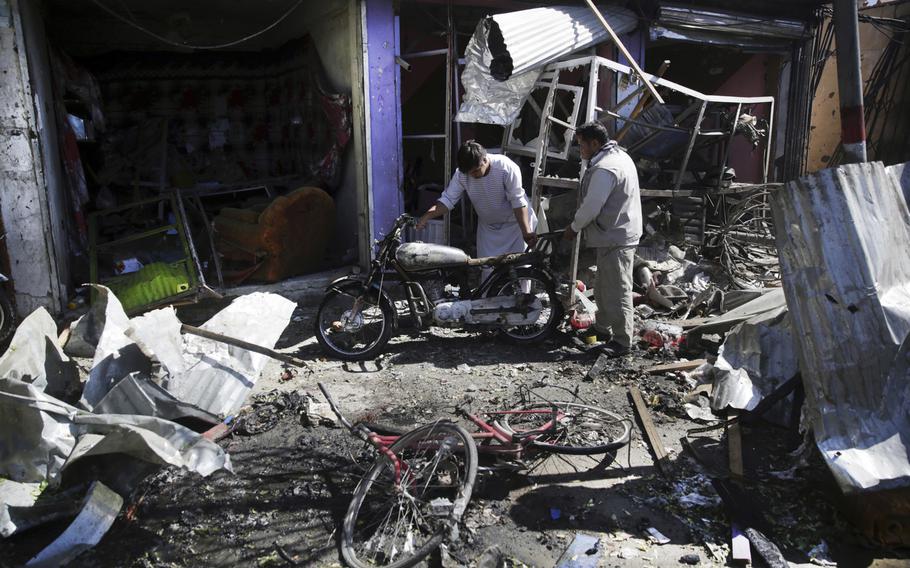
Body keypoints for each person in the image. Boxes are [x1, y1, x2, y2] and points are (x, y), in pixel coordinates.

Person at [564, 121, 642, 357]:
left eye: (582, 146)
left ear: (595, 143)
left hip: (615, 236)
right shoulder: (618, 156)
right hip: (613, 233)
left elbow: (591, 207)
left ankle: (622, 341)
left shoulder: (605, 168)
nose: (581, 151)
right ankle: (602, 329)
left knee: (617, 290)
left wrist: (574, 227)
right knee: (604, 287)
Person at [417, 141, 537, 280]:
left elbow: (518, 201)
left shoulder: (505, 167)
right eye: (469, 172)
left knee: (520, 270)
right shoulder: (462, 174)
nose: (472, 175)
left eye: (475, 171)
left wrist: (526, 232)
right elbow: (448, 200)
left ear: (485, 160)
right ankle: (490, 301)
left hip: (516, 226)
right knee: (488, 271)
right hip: (489, 229)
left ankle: (524, 300)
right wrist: (426, 217)